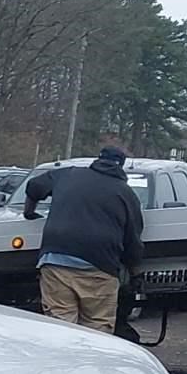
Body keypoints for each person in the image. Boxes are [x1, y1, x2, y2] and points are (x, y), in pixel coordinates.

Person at [23, 141, 141, 332]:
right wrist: (135, 272)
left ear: (98, 159)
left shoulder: (68, 174)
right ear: (121, 165)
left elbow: (34, 186)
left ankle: (63, 360)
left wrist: (29, 211)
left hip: (57, 261)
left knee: (61, 326)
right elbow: (133, 240)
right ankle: (91, 362)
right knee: (97, 329)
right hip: (99, 268)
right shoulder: (126, 194)